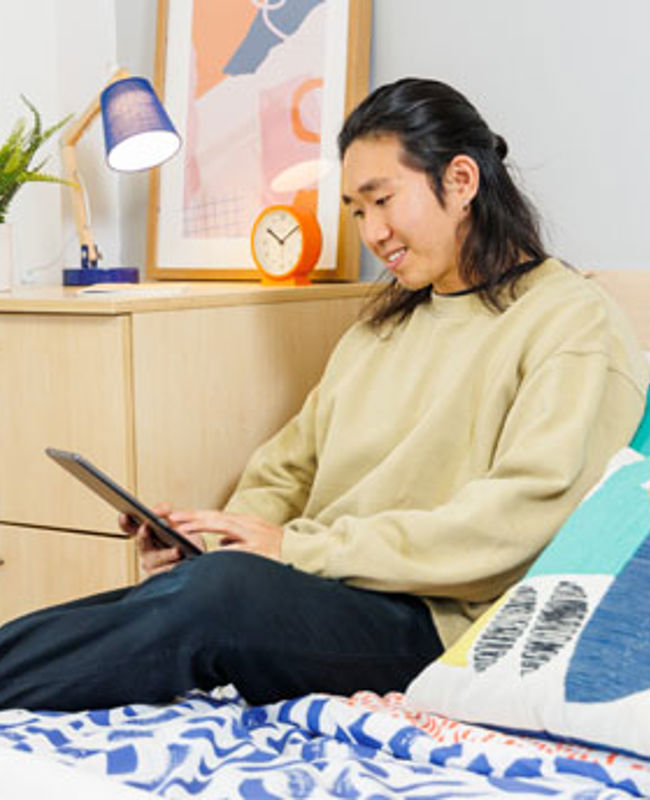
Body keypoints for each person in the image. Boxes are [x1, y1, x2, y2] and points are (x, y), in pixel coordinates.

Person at [0, 78, 646, 711]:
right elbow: (288, 468)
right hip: (329, 585)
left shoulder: (570, 321)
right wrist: (215, 540)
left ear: (461, 181)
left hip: (438, 622)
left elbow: (518, 523)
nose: (372, 233)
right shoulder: (382, 329)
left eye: (383, 200)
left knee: (220, 599)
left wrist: (294, 551)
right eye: (357, 211)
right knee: (171, 594)